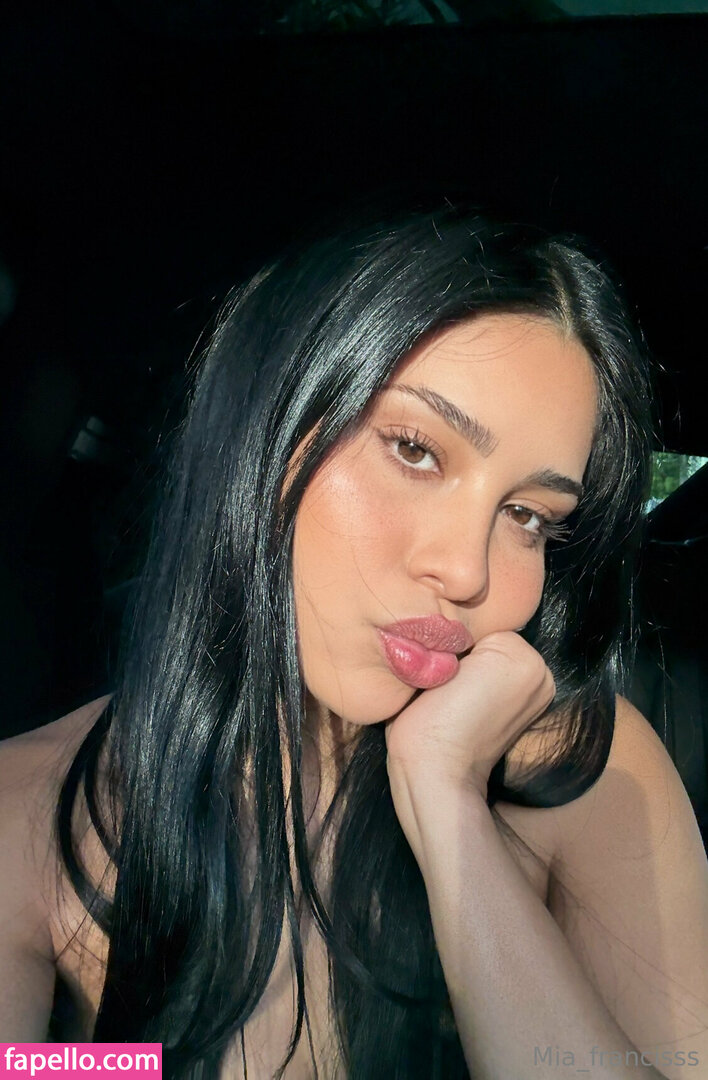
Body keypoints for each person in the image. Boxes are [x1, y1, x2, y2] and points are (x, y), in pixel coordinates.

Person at [1, 202, 707, 1080]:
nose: (468, 572)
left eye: (528, 515)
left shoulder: (586, 775)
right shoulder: (27, 813)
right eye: (414, 450)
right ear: (262, 425)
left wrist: (448, 809)